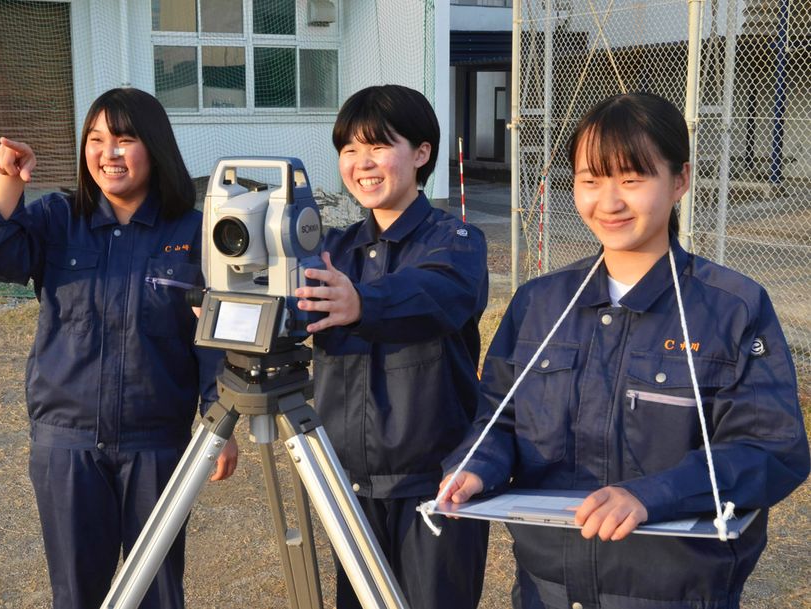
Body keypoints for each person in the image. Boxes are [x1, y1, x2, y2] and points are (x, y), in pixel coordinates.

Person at [440, 92, 810, 609]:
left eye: (632, 180)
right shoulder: (539, 304)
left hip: (676, 593)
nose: (608, 202)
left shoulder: (733, 308)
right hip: (547, 590)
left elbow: (771, 449)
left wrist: (651, 495)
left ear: (679, 180)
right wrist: (472, 466)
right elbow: (498, 420)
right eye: (590, 180)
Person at [0, 88, 237, 609]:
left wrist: (218, 420)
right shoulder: (59, 219)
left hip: (155, 443)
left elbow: (213, 336)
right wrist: (7, 182)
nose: (108, 153)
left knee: (156, 590)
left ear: (154, 148)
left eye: (125, 139)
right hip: (67, 443)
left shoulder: (194, 231)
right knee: (76, 593)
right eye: (96, 139)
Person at [293, 84, 490, 609]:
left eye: (379, 146)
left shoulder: (456, 242)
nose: (362, 163)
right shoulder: (333, 249)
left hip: (435, 482)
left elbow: (437, 294)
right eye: (350, 150)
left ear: (422, 152)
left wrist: (360, 302)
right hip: (349, 485)